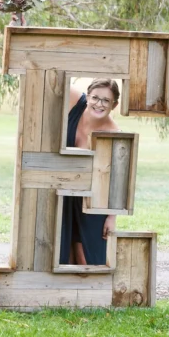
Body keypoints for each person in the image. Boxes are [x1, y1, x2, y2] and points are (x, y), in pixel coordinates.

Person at [59, 78, 121, 266]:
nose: (99, 104)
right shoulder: (74, 100)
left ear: (114, 105)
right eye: (95, 98)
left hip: (92, 199)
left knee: (86, 257)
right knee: (62, 253)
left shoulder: (113, 132)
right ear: (87, 95)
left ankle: (91, 295)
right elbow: (53, 76)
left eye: (106, 101)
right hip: (62, 191)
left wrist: (112, 217)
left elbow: (117, 179)